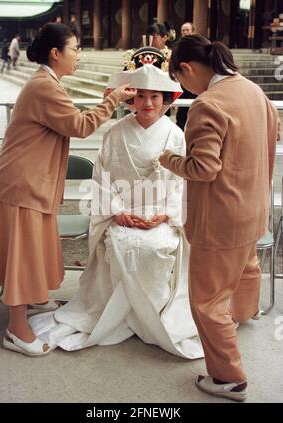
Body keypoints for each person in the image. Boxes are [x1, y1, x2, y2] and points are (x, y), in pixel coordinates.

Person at [29, 49, 204, 360]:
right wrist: (117, 213)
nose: (147, 104)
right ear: (130, 99)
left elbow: (183, 184)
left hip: (162, 215)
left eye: (154, 97)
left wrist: (166, 214)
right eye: (140, 97)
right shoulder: (115, 134)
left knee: (156, 247)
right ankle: (122, 316)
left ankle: (149, 317)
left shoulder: (175, 134)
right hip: (122, 214)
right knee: (123, 244)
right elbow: (103, 180)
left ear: (166, 100)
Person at [0, 23, 136, 357]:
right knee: (23, 255)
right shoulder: (45, 87)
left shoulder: (46, 83)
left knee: (33, 247)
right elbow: (80, 126)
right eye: (75, 49)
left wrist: (106, 102)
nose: (79, 56)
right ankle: (16, 327)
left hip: (25, 180)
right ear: (56, 54)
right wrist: (111, 101)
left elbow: (70, 119)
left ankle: (36, 300)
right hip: (22, 182)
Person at [159, 34, 279, 401]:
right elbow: (272, 136)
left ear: (187, 68)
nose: (184, 88)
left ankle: (230, 378)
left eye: (180, 81)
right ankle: (244, 316)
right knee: (246, 271)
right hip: (253, 209)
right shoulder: (253, 91)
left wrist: (169, 160)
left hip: (220, 219)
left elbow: (203, 167)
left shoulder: (208, 105)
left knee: (207, 301)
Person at [176, 22, 197, 131]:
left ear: (193, 32)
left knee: (195, 110)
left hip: (196, 82)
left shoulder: (198, 45)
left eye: (187, 30)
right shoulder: (178, 46)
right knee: (182, 113)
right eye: (183, 30)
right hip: (183, 82)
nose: (184, 32)